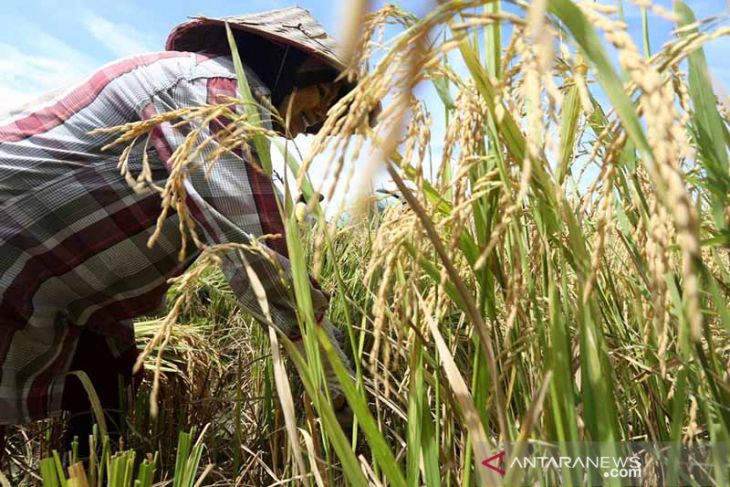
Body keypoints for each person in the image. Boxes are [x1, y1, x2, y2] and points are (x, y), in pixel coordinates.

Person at [0, 7, 365, 459]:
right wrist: (344, 396)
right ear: (286, 66)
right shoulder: (214, 90)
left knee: (104, 405)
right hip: (12, 250)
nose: (317, 123)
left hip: (66, 291)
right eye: (323, 95)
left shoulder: (211, 95)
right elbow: (261, 257)